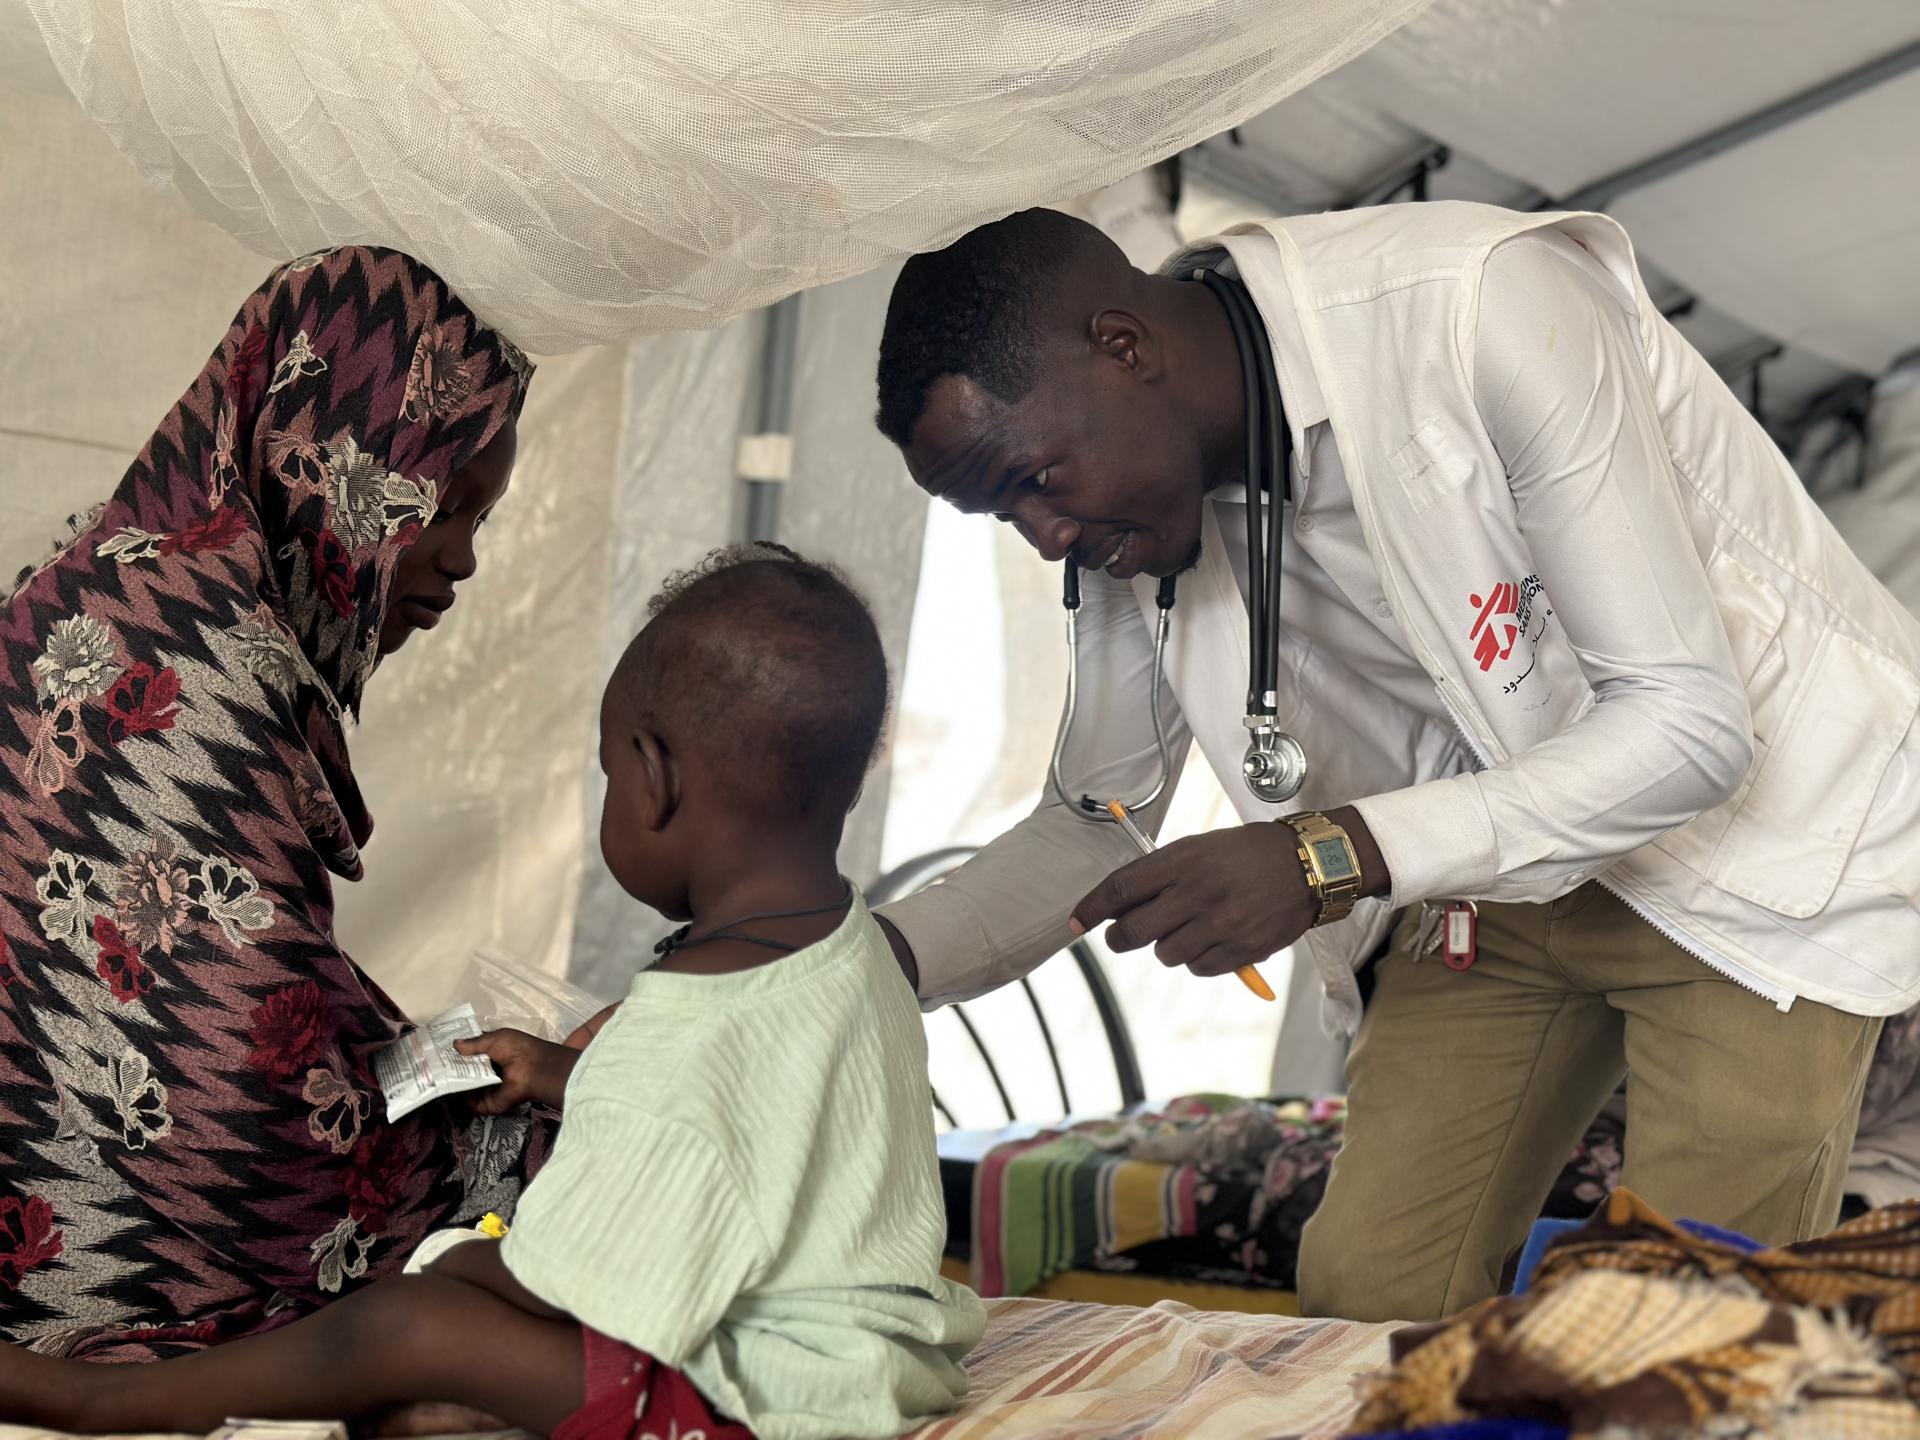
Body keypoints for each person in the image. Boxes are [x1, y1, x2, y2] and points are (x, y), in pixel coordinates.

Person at [867, 204, 1920, 1322]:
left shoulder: (1483, 307)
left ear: (1124, 349)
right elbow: (1094, 819)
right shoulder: (1128, 520)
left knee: (1674, 1324)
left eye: (1032, 479)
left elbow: (1690, 725)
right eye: (1002, 515)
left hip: (1761, 846)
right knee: (1368, 1288)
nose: (1044, 538)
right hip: (1496, 876)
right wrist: (856, 965)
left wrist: (1325, 855)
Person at [0, 544, 986, 1440]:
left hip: (760, 1404)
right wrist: (570, 1075)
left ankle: (101, 1400)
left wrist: (463, 1263)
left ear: (652, 779)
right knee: (427, 1398)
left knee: (410, 1328)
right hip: (874, 1364)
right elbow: (775, 1113)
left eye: (607, 774)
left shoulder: (681, 1027)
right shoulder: (854, 952)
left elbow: (577, 1293)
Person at [0, 247, 542, 1356]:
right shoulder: (197, 678)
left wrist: (423, 1059)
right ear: (340, 459)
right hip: (78, 1278)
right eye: (450, 509)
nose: (463, 561)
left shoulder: (111, 585)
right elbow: (234, 1111)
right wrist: (507, 1138)